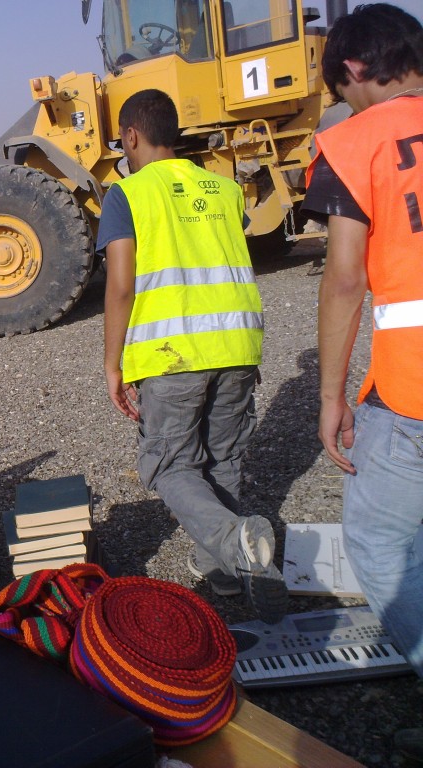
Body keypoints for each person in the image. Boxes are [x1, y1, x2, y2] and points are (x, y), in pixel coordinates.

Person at [99, 88, 287, 623]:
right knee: (222, 459)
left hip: (172, 352)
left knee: (168, 464)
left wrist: (113, 364)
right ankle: (225, 572)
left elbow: (120, 284)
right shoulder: (225, 189)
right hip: (236, 343)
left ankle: (233, 541)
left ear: (131, 135)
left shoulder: (129, 194)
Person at [302, 3, 423, 759]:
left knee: (379, 542)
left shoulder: (353, 141)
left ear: (352, 69)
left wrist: (329, 396)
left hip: (412, 391)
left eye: (339, 89)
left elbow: (345, 280)